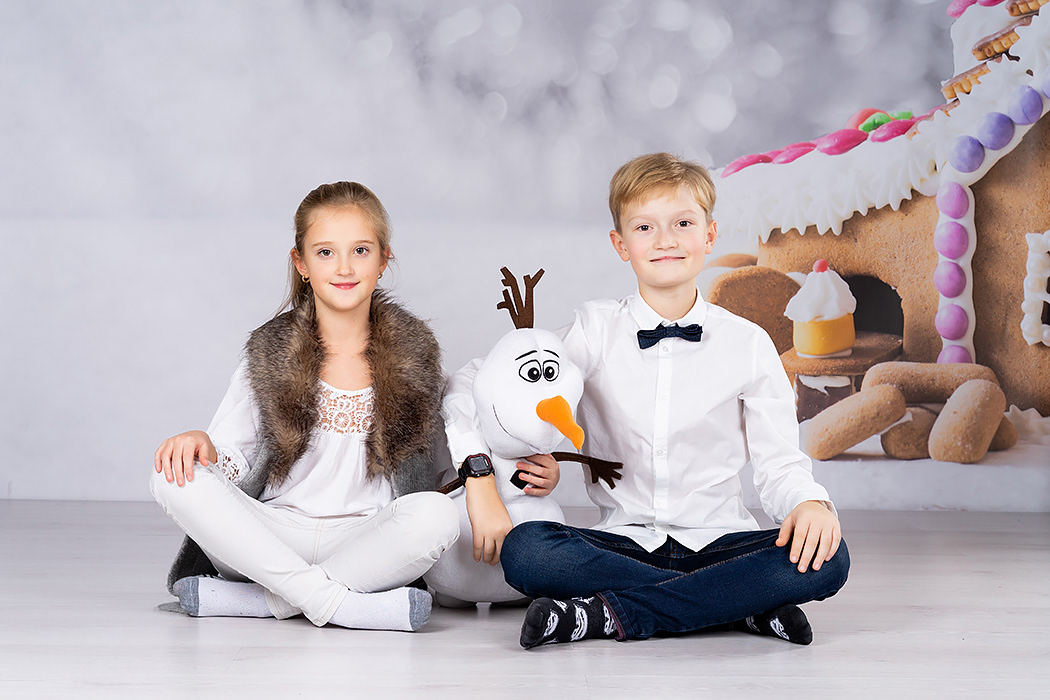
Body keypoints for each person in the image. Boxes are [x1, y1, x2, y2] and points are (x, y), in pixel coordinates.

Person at [443, 153, 849, 648]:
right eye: (644, 227)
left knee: (831, 557)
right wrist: (479, 476)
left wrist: (809, 504)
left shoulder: (748, 343)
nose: (665, 240)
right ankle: (739, 604)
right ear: (621, 244)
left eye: (683, 223)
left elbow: (779, 463)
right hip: (622, 543)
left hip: (721, 542)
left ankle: (602, 615)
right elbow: (475, 379)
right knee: (528, 549)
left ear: (710, 235)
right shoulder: (593, 331)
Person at [151, 181, 459, 632]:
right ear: (302, 263)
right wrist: (203, 445)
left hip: (366, 542)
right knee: (171, 477)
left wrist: (506, 474)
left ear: (383, 260)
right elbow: (232, 457)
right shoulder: (270, 349)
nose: (344, 267)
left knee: (438, 515)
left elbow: (441, 471)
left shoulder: (415, 356)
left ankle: (267, 602)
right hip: (267, 538)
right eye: (325, 252)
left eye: (360, 251)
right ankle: (337, 604)